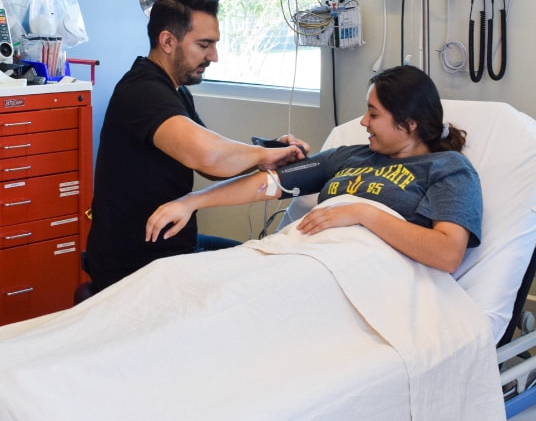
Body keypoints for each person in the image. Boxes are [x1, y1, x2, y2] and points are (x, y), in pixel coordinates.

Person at [146, 65, 482, 273]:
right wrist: (191, 201)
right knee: (170, 276)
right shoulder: (349, 157)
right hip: (302, 258)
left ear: (408, 124)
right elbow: (267, 184)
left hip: (356, 274)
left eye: (374, 114)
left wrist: (363, 213)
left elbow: (448, 253)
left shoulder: (448, 169)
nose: (363, 122)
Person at [85, 0, 309, 292]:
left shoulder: (175, 91)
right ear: (167, 41)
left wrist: (271, 151)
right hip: (136, 266)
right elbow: (210, 156)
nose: (213, 56)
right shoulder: (142, 92)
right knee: (255, 282)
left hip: (169, 248)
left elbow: (214, 164)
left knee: (256, 261)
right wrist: (260, 155)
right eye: (204, 45)